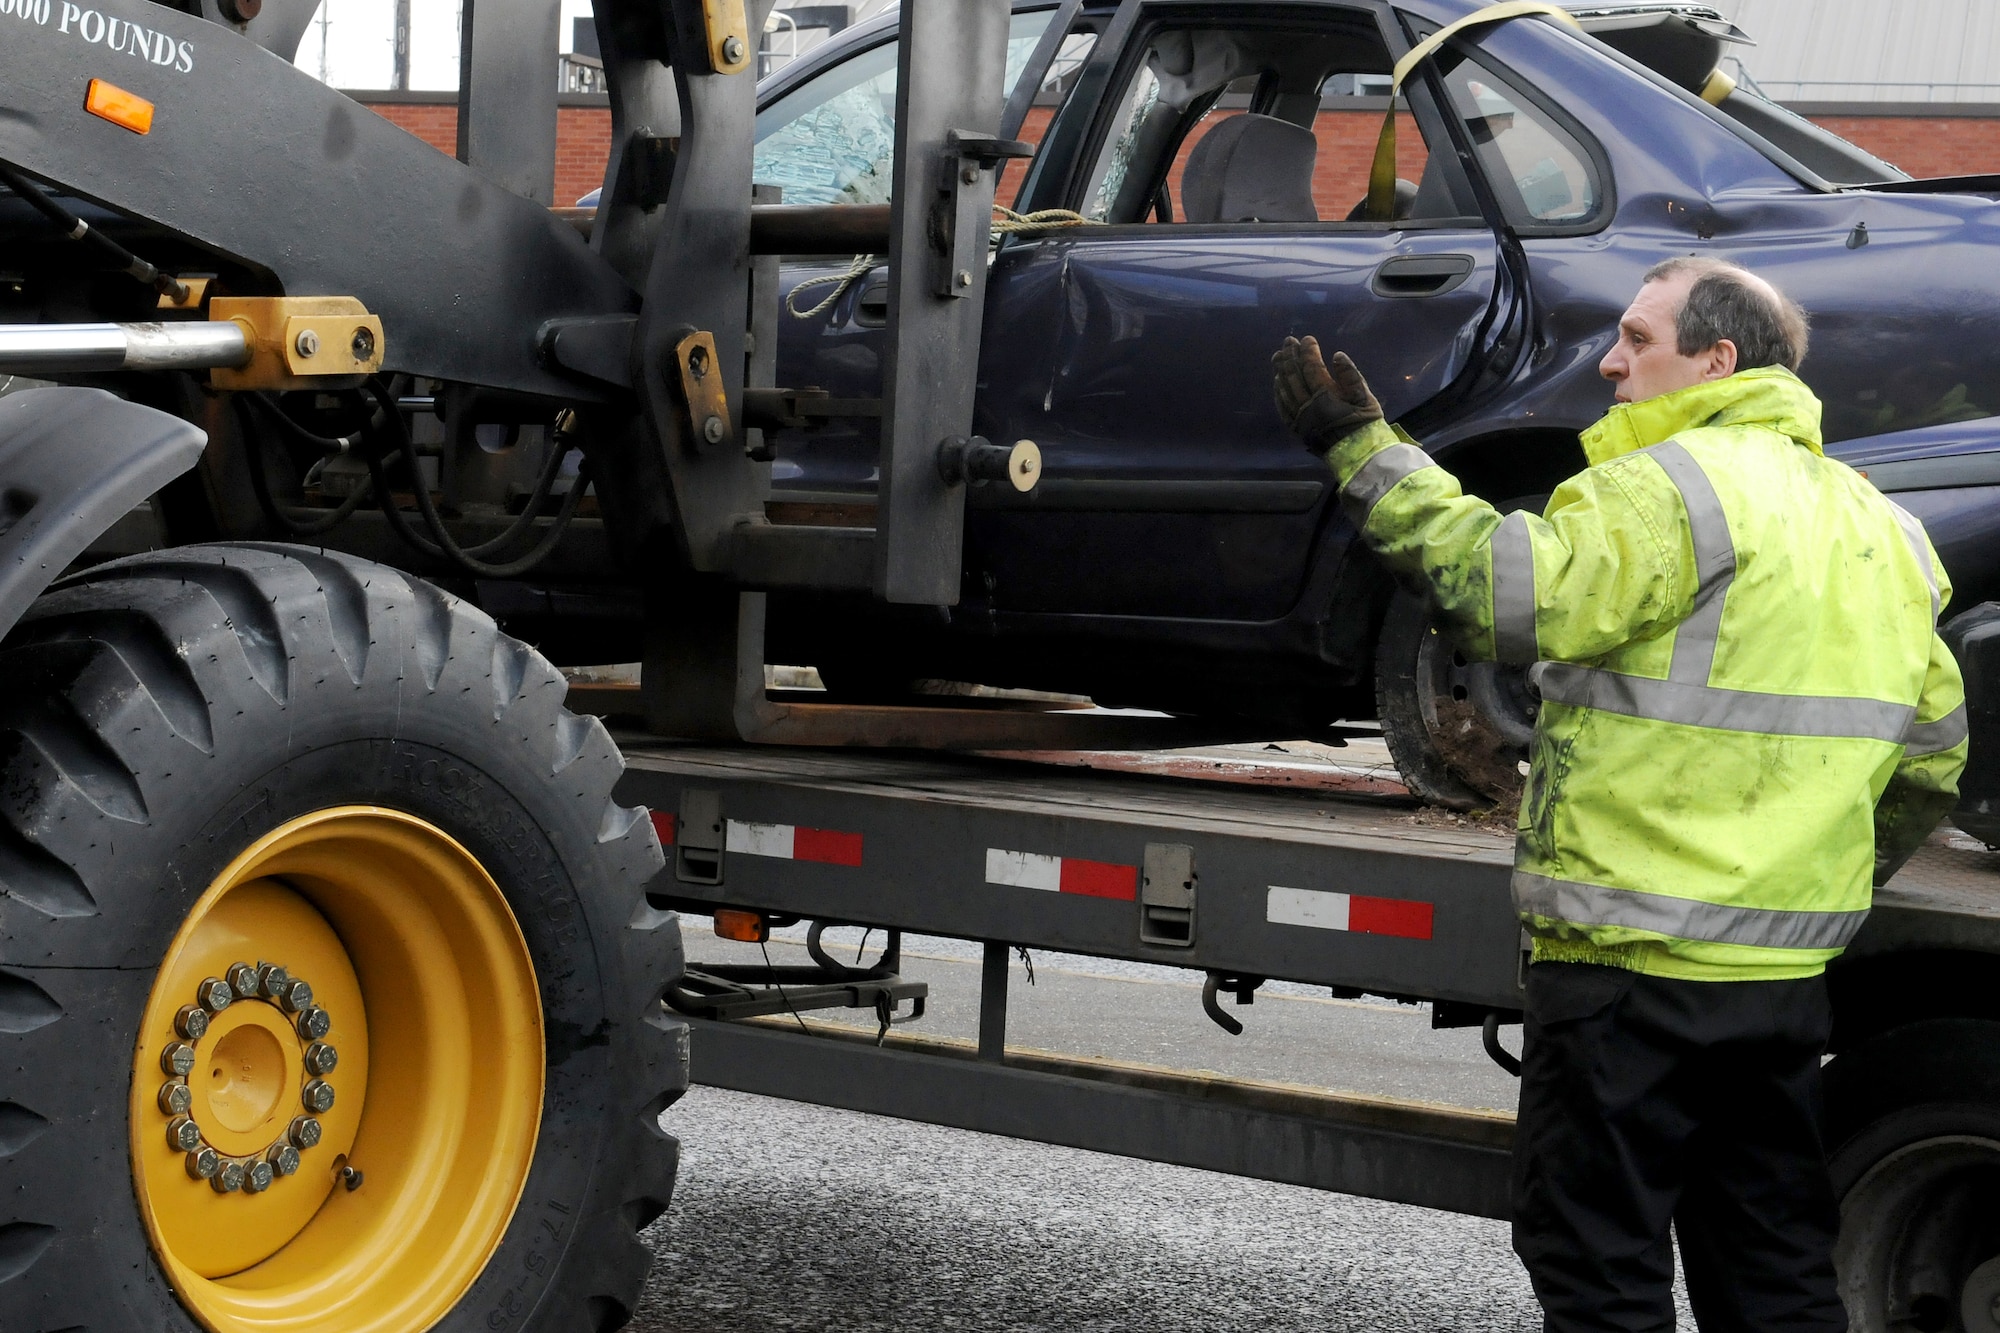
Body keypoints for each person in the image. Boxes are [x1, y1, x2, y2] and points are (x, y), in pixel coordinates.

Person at [1271, 256, 1967, 1333]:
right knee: (1772, 1266)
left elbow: (1503, 597)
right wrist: (1806, 865)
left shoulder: (1665, 489)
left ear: (1716, 360)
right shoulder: (1881, 527)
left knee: (1599, 1271)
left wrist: (1364, 452)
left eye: (1635, 341)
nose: (1608, 361)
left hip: (1624, 976)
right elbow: (1929, 757)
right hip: (1775, 978)